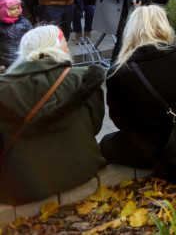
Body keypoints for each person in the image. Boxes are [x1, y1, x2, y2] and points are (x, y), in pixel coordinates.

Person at [99, 5, 176, 175]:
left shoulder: (118, 72)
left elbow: (120, 121)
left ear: (131, 32)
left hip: (148, 152)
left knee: (105, 144)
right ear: (164, 26)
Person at [0, 26, 105, 205]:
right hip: (83, 170)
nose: (69, 50)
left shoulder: (4, 88)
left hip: (21, 188)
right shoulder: (84, 78)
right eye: (66, 46)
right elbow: (95, 125)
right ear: (56, 49)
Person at [0, 0, 33, 70]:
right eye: (13, 9)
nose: (17, 10)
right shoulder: (1, 25)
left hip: (23, 54)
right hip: (7, 57)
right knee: (11, 72)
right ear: (3, 10)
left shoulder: (24, 21)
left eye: (18, 8)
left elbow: (31, 35)